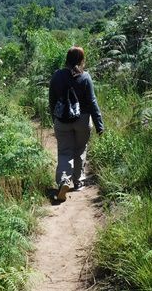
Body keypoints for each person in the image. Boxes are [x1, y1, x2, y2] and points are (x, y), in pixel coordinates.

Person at [48, 46, 104, 202]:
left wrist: (55, 119)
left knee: (65, 151)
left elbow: (52, 100)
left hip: (62, 120)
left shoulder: (57, 76)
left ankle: (64, 181)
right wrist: (99, 125)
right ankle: (78, 181)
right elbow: (93, 102)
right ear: (81, 60)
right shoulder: (85, 77)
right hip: (82, 120)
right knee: (80, 149)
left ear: (66, 59)